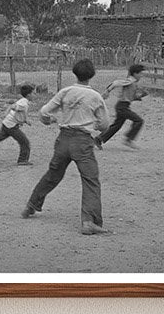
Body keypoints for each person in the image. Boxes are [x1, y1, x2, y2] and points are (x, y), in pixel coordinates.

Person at [22, 59, 110, 235]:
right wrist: (94, 127)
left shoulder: (65, 92)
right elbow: (105, 124)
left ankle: (32, 204)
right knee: (90, 179)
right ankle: (89, 221)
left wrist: (49, 121)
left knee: (53, 174)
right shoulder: (95, 96)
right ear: (92, 75)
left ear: (75, 73)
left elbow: (44, 112)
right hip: (82, 141)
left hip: (63, 139)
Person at [99, 63, 146, 148]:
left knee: (116, 126)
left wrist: (138, 97)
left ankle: (98, 139)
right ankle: (129, 139)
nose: (141, 76)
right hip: (122, 106)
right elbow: (116, 83)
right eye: (140, 74)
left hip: (123, 106)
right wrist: (107, 91)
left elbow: (130, 96)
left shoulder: (133, 83)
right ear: (135, 73)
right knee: (139, 120)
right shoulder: (130, 81)